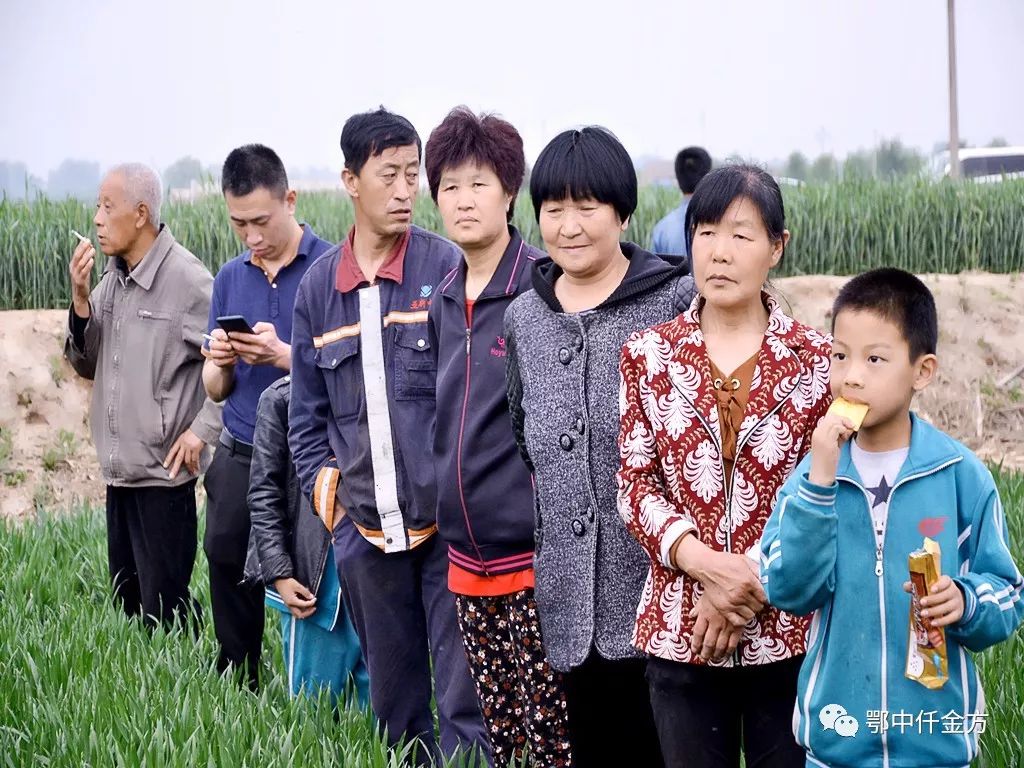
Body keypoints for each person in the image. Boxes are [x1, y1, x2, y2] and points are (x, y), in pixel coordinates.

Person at [761, 268, 1024, 768]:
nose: (851, 376)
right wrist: (819, 484)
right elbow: (788, 589)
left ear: (922, 372)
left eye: (875, 359)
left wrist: (965, 600)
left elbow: (1008, 594)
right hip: (836, 747)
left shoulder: (959, 475)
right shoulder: (813, 476)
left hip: (934, 746)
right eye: (840, 356)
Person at [288, 108, 488, 765]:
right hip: (366, 535)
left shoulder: (445, 267)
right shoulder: (318, 290)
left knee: (464, 703)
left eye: (412, 174)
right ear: (351, 181)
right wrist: (337, 512)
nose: (405, 191)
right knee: (395, 708)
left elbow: (474, 395)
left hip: (447, 531)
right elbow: (306, 420)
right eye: (388, 175)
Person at [617, 164, 831, 768]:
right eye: (706, 233)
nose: (719, 252)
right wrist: (707, 566)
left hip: (788, 632)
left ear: (777, 247)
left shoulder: (817, 361)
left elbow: (825, 491)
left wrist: (743, 583)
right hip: (681, 629)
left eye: (741, 235)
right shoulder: (650, 354)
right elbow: (635, 485)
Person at [503, 126, 695, 767]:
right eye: (553, 208)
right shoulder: (525, 317)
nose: (569, 226)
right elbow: (526, 436)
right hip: (567, 601)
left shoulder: (676, 300)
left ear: (622, 213)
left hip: (663, 594)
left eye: (587, 207)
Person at [424, 106, 572, 768]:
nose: (463, 200)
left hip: (534, 560)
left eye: (479, 184)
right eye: (450, 186)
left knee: (555, 737)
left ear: (510, 192)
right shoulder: (441, 298)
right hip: (465, 559)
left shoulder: (542, 289)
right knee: (501, 738)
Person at [64, 163, 221, 631]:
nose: (96, 218)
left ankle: (205, 669)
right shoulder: (113, 281)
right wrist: (80, 300)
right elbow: (86, 364)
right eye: (97, 206)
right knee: (129, 609)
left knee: (165, 613)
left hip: (163, 479)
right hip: (120, 474)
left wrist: (201, 430)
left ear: (140, 214)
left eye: (107, 207)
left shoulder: (188, 281)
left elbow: (236, 362)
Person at [201, 144, 334, 689]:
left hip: (308, 452)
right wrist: (220, 360)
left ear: (290, 200)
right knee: (224, 556)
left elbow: (345, 373)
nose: (251, 236)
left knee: (311, 569)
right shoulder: (230, 278)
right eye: (239, 224)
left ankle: (321, 684)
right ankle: (240, 676)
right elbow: (214, 389)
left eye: (261, 221)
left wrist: (283, 356)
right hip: (241, 444)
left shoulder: (329, 269)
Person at [243, 375, 368, 708]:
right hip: (314, 583)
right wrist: (279, 572)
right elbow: (264, 493)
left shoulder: (381, 385)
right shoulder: (282, 398)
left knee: (379, 714)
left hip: (377, 573)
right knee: (313, 708)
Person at [650, 146, 712, 260]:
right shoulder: (720, 224)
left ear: (678, 181)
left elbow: (653, 268)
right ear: (709, 178)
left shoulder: (661, 229)